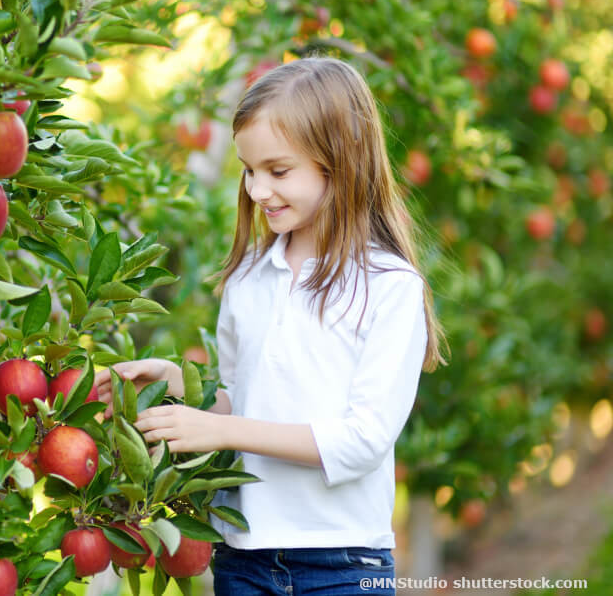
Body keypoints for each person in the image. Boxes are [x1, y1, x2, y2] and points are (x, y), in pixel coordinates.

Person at [95, 57, 447, 595]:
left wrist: (223, 429)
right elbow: (245, 402)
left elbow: (363, 442)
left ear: (342, 160)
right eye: (248, 169)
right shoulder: (250, 277)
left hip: (343, 564)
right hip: (244, 558)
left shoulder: (387, 285)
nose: (258, 190)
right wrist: (178, 384)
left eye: (278, 171)